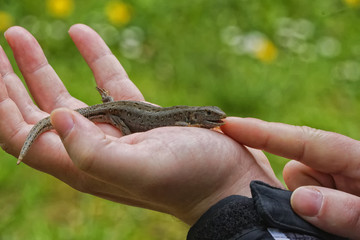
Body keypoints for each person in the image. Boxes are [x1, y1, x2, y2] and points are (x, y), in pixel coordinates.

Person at [0, 24, 357, 239]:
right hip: (117, 113)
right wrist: (114, 118)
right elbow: (128, 117)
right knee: (116, 120)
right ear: (198, 117)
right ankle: (94, 111)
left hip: (117, 108)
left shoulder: (190, 121)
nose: (215, 120)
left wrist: (227, 185)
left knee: (112, 113)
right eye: (209, 116)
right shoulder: (186, 119)